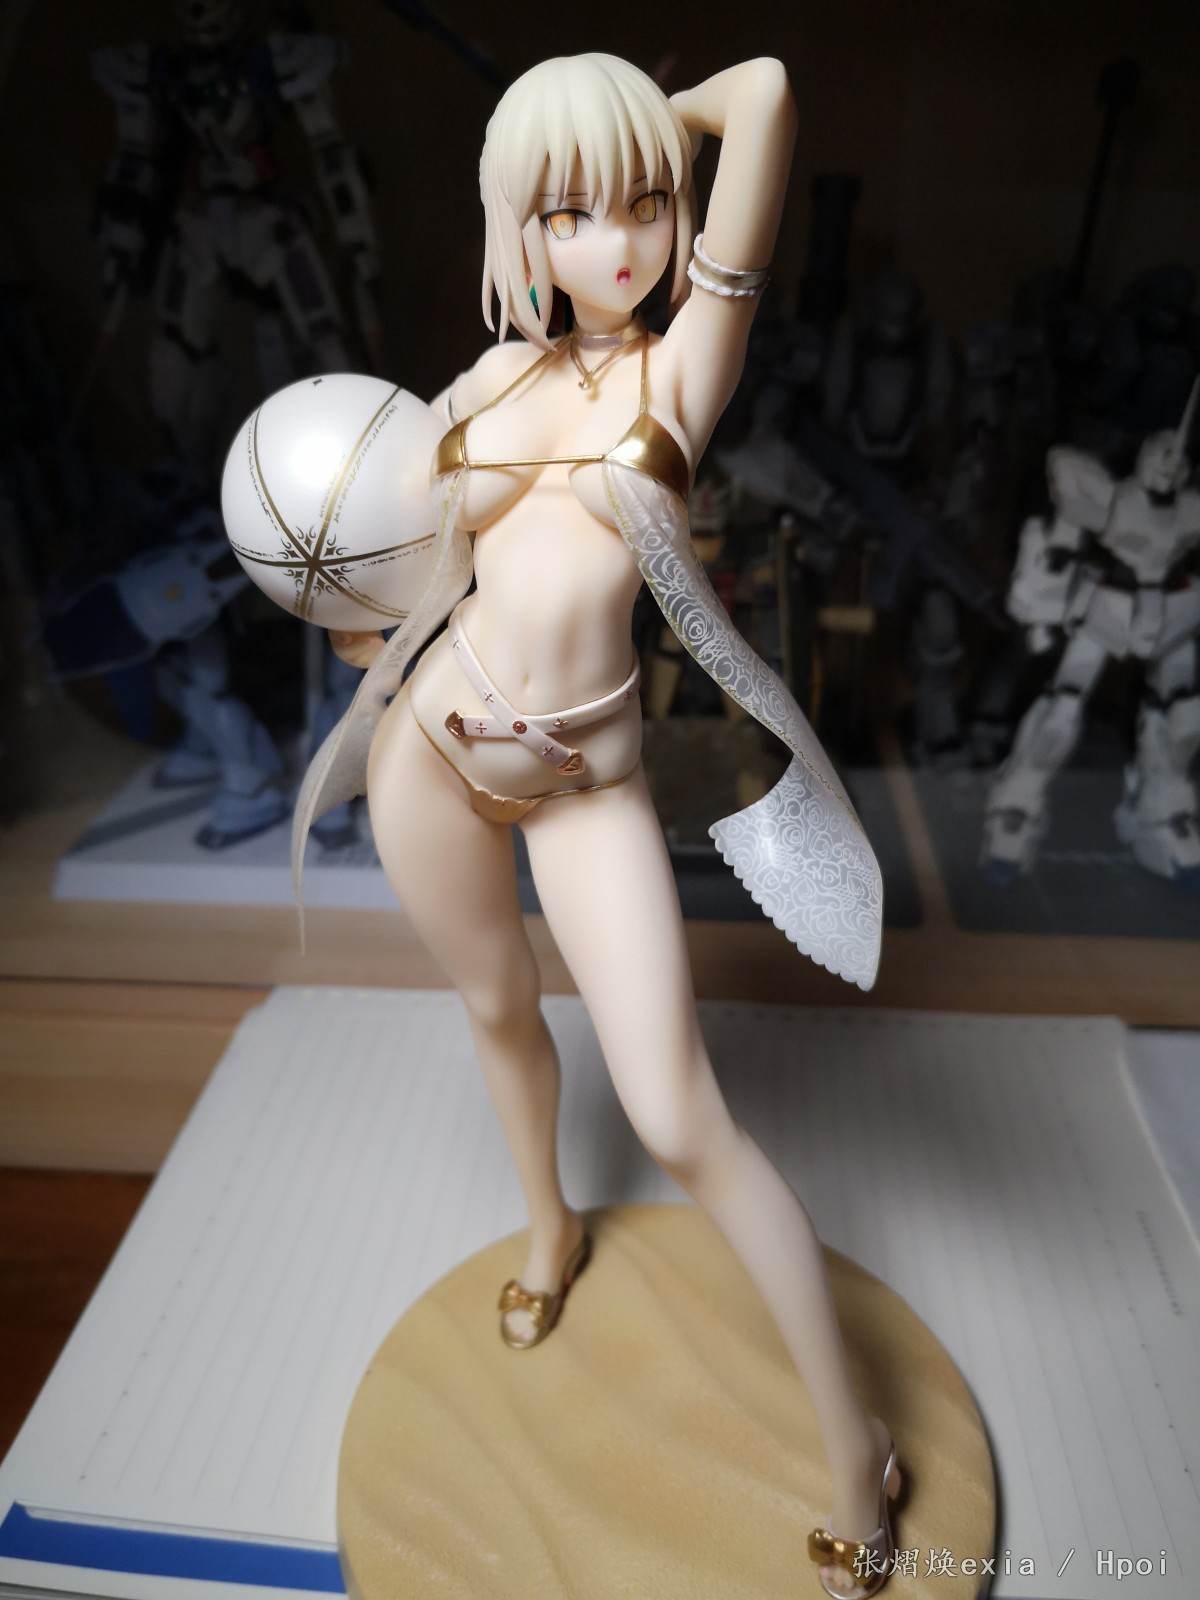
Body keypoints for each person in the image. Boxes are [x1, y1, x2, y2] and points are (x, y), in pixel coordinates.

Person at [296, 53, 895, 1597]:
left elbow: (769, 92)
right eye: (570, 212)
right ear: (520, 227)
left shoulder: (683, 367)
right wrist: (350, 612)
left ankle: (859, 1454)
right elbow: (386, 568)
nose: (616, 244)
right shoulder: (491, 381)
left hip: (585, 784)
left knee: (683, 1118)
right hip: (433, 758)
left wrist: (619, 117)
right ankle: (549, 1230)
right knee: (498, 1009)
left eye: (642, 204)